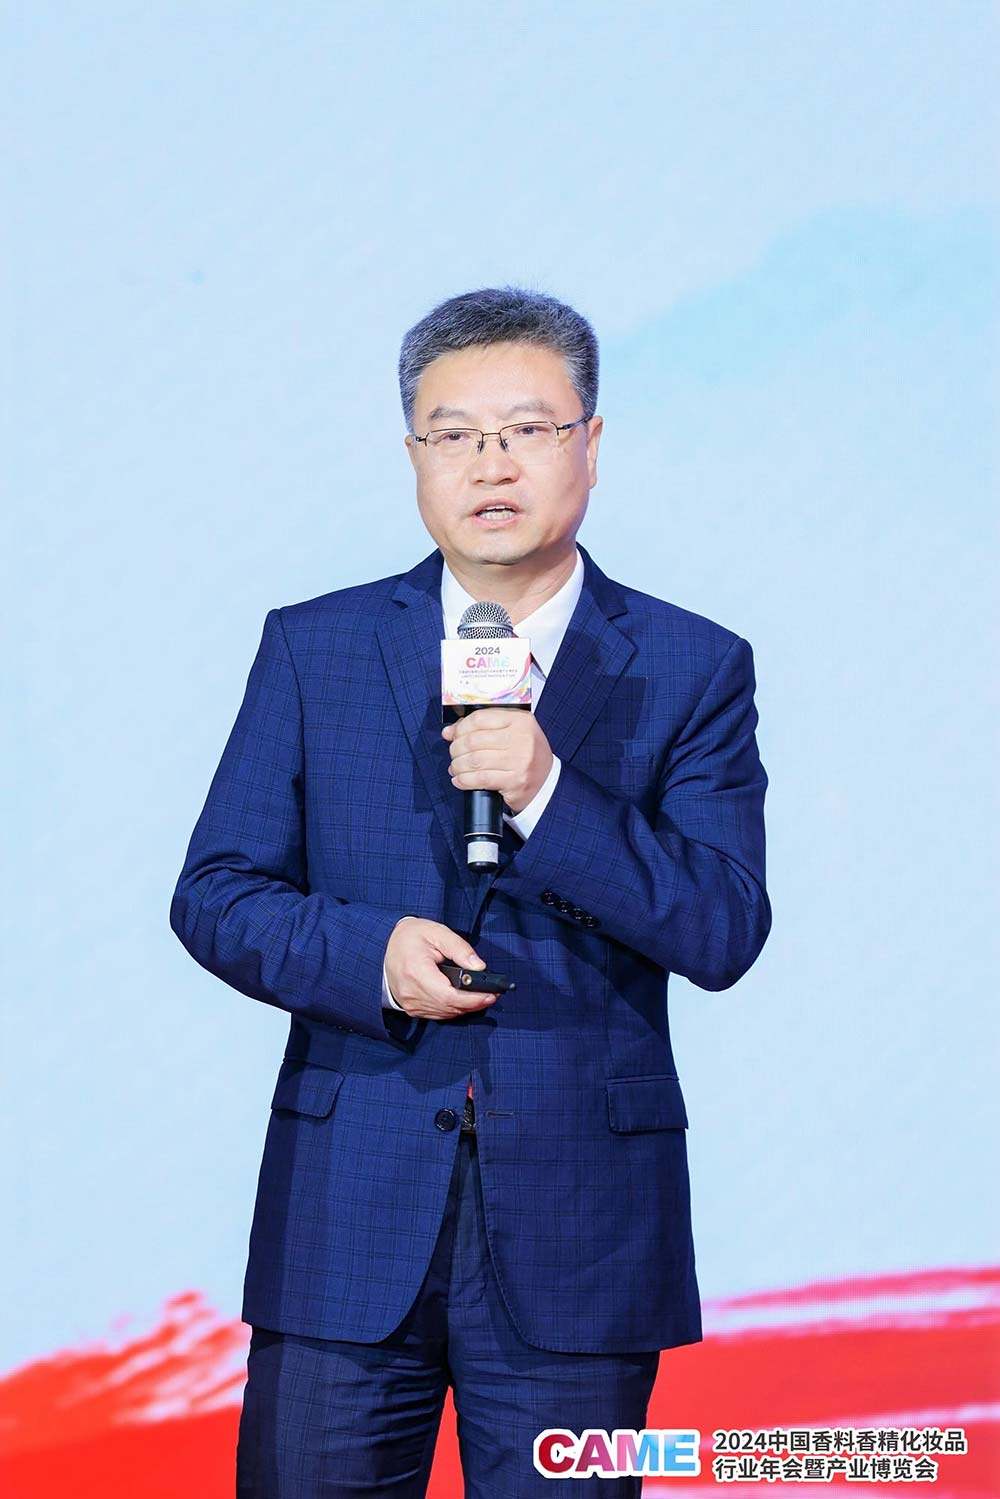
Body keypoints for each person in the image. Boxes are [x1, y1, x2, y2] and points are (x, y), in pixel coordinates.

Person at [170, 285, 772, 1497]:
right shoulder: (316, 646)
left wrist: (547, 792)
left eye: (528, 429)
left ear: (590, 444)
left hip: (582, 1235)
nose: (490, 464)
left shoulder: (691, 664)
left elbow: (720, 925)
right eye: (454, 434)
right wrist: (369, 955)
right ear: (414, 456)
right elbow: (217, 892)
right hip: (344, 1219)